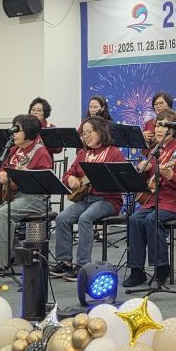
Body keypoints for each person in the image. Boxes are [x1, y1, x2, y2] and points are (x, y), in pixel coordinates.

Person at [0, 114, 53, 278]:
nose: (13, 133)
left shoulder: (41, 152)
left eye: (17, 130)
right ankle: (17, 254)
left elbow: (44, 181)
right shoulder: (14, 150)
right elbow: (3, 167)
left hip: (35, 198)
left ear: (29, 132)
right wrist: (2, 173)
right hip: (16, 196)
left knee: (3, 215)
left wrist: (27, 175)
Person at [124, 109, 176, 288]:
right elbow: (150, 182)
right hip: (154, 201)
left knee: (152, 220)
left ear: (174, 130)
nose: (159, 129)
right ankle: (136, 270)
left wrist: (172, 176)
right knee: (134, 219)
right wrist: (143, 170)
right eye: (158, 125)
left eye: (164, 125)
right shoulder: (155, 150)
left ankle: (161, 268)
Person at [51, 116, 125, 281]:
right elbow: (68, 174)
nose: (85, 136)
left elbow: (121, 180)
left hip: (108, 200)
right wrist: (70, 179)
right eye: (83, 133)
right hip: (85, 198)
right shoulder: (83, 153)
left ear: (100, 132)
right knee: (62, 218)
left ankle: (83, 265)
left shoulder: (114, 153)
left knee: (85, 219)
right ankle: (64, 262)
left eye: (89, 132)